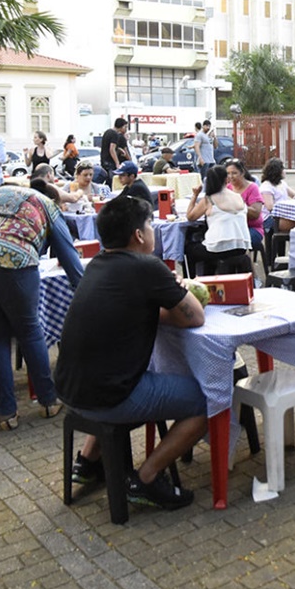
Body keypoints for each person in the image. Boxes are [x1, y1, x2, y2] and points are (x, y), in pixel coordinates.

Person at [56, 196, 207, 509]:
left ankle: (88, 461)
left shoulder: (97, 264)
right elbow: (195, 317)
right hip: (111, 397)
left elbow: (144, 314)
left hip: (70, 390)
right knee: (207, 400)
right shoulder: (145, 266)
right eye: (150, 225)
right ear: (139, 235)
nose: (152, 231)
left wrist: (167, 295)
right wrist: (178, 289)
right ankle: (147, 479)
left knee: (109, 372)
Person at [0, 182, 83, 430]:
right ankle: (48, 402)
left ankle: (6, 413)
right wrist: (86, 295)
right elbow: (71, 261)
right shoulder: (48, 207)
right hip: (13, 259)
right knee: (29, 330)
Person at [186, 165, 251, 275]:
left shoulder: (209, 199)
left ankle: (194, 279)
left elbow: (190, 216)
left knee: (189, 250)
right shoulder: (238, 196)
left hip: (219, 248)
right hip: (241, 246)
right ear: (226, 179)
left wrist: (195, 195)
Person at [226, 159, 265, 249]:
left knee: (237, 243)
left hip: (252, 228)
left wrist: (239, 205)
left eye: (234, 173)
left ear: (242, 173)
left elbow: (255, 213)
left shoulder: (252, 188)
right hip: (233, 228)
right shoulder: (227, 188)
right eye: (228, 173)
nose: (231, 176)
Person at [258, 157, 295, 233]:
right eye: (283, 169)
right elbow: (270, 207)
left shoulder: (282, 183)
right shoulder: (266, 186)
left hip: (282, 215)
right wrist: (287, 208)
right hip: (270, 218)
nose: (285, 171)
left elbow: (294, 194)